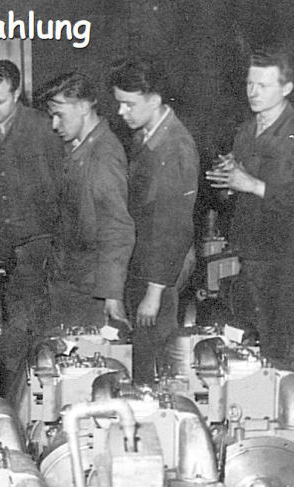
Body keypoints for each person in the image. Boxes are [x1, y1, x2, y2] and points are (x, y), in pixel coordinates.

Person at [0, 59, 64, 346]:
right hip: (1, 250)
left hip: (40, 248)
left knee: (38, 331)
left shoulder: (44, 128)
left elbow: (64, 189)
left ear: (17, 93)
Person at [110, 57, 198, 384]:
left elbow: (175, 227)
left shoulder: (175, 148)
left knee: (155, 364)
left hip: (160, 273)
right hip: (144, 264)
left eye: (129, 104)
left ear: (155, 99)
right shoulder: (146, 135)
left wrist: (155, 293)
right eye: (119, 103)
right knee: (143, 356)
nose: (121, 112)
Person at [205, 47, 294, 361]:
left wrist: (253, 185)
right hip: (250, 257)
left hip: (285, 263)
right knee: (249, 346)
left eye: (263, 86)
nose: (253, 93)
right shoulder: (245, 131)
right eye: (249, 84)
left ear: (287, 88)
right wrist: (228, 183)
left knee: (282, 351)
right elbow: (237, 193)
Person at [41, 71, 135, 329]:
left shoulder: (103, 155)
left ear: (83, 107)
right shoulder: (78, 147)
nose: (54, 125)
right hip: (71, 279)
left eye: (60, 115)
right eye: (52, 116)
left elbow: (117, 227)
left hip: (90, 289)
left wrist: (112, 294)